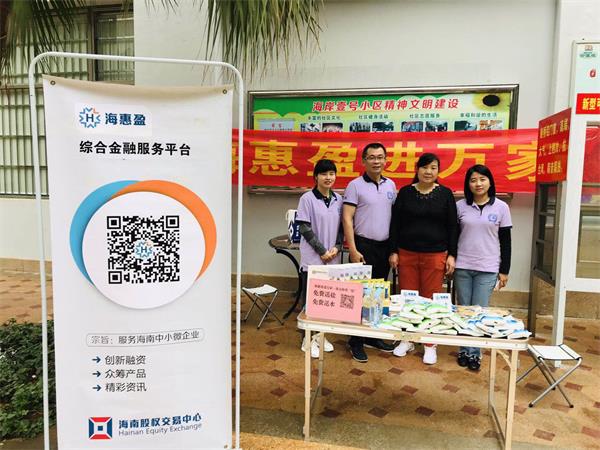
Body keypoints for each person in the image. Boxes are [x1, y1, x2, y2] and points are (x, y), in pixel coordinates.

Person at [388, 153, 458, 365]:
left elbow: (453, 227)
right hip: (407, 253)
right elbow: (395, 224)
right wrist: (393, 251)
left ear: (438, 171)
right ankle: (407, 339)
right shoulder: (405, 193)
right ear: (417, 169)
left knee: (430, 300)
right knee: (408, 298)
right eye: (425, 167)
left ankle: (429, 344)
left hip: (435, 254)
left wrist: (452, 254)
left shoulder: (445, 194)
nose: (428, 172)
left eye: (433, 168)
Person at [343, 142, 397, 362]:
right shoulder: (355, 186)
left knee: (377, 295)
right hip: (362, 246)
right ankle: (355, 340)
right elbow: (347, 218)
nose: (376, 161)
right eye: (372, 157)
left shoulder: (391, 185)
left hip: (384, 247)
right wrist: (353, 249)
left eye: (380, 157)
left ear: (386, 160)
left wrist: (393, 250)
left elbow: (393, 219)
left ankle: (372, 336)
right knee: (359, 295)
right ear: (364, 161)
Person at [454, 164, 512, 371]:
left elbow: (506, 241)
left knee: (480, 312)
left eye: (482, 179)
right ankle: (463, 350)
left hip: (487, 267)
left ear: (489, 182)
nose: (478, 184)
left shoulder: (501, 207)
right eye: (473, 180)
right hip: (462, 265)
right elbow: (453, 236)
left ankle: (475, 353)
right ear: (468, 184)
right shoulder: (460, 206)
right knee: (463, 311)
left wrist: (504, 270)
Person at [297, 159, 343, 358]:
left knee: (326, 301)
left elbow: (342, 228)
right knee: (311, 300)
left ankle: (320, 336)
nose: (328, 177)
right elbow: (304, 228)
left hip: (332, 258)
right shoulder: (307, 198)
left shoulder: (338, 199)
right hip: (314, 259)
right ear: (316, 177)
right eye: (324, 174)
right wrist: (322, 250)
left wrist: (337, 247)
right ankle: (307, 340)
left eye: (332, 173)